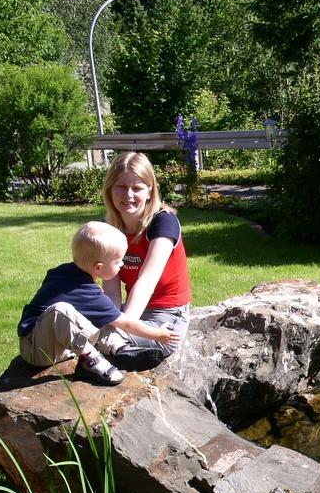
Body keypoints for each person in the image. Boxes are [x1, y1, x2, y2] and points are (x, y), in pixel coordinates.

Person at [18, 221, 181, 386]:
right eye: (118, 261)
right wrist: (158, 334)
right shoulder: (84, 290)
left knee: (104, 316)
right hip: (36, 349)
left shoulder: (65, 273)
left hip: (62, 344)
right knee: (62, 310)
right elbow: (126, 323)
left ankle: (118, 350)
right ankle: (89, 361)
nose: (122, 264)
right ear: (98, 268)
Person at [101, 151, 191, 371]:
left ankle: (118, 351)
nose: (128, 195)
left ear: (150, 190)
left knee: (101, 339)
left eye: (137, 188)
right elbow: (111, 291)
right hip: (134, 311)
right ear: (110, 189)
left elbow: (147, 281)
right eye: (121, 187)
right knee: (91, 329)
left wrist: (123, 327)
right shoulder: (110, 228)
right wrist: (111, 321)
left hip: (168, 315)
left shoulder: (164, 222)